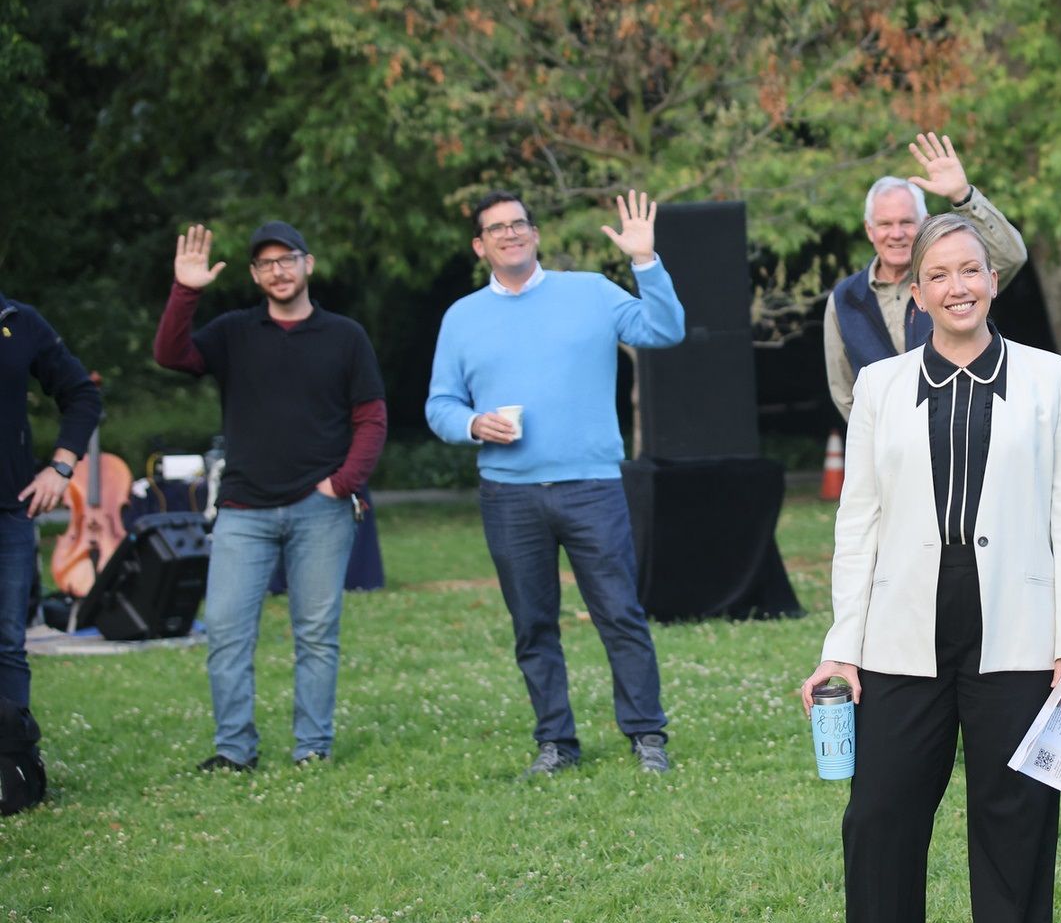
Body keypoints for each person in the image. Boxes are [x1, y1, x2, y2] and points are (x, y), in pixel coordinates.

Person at [800, 213, 1061, 923]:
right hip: (901, 631)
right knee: (880, 817)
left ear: (993, 281)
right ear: (918, 290)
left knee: (1014, 817)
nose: (958, 287)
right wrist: (840, 647)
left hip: (1021, 629)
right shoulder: (883, 386)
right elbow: (857, 521)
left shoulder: (1051, 379)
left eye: (971, 270)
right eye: (940, 275)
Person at [426, 190, 684, 776]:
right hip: (508, 493)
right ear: (479, 245)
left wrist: (645, 262)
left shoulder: (589, 291)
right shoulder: (462, 317)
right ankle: (556, 742)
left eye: (519, 224)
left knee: (619, 612)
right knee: (532, 622)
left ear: (535, 234)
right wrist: (471, 423)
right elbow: (439, 403)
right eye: (496, 228)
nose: (510, 234)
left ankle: (647, 736)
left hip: (591, 485)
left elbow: (665, 330)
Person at [158, 222, 386, 771]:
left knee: (316, 635)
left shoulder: (345, 336)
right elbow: (172, 355)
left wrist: (341, 484)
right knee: (228, 634)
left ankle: (313, 747)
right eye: (265, 264)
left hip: (321, 509)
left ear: (308, 264)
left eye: (287, 260)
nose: (278, 271)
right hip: (243, 510)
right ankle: (234, 750)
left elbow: (371, 418)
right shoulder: (234, 332)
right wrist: (186, 290)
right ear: (255, 276)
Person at [822, 133, 1026, 420]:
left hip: (961, 429)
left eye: (907, 222)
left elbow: (1011, 256)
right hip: (889, 452)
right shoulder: (844, 299)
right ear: (869, 230)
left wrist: (963, 196)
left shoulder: (952, 286)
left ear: (925, 223)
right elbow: (844, 392)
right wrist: (875, 439)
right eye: (885, 224)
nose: (896, 234)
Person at [0, 289, 101, 706]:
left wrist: (60, 468)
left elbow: (82, 395)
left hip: (8, 512)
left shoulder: (18, 321)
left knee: (7, 648)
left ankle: (14, 762)